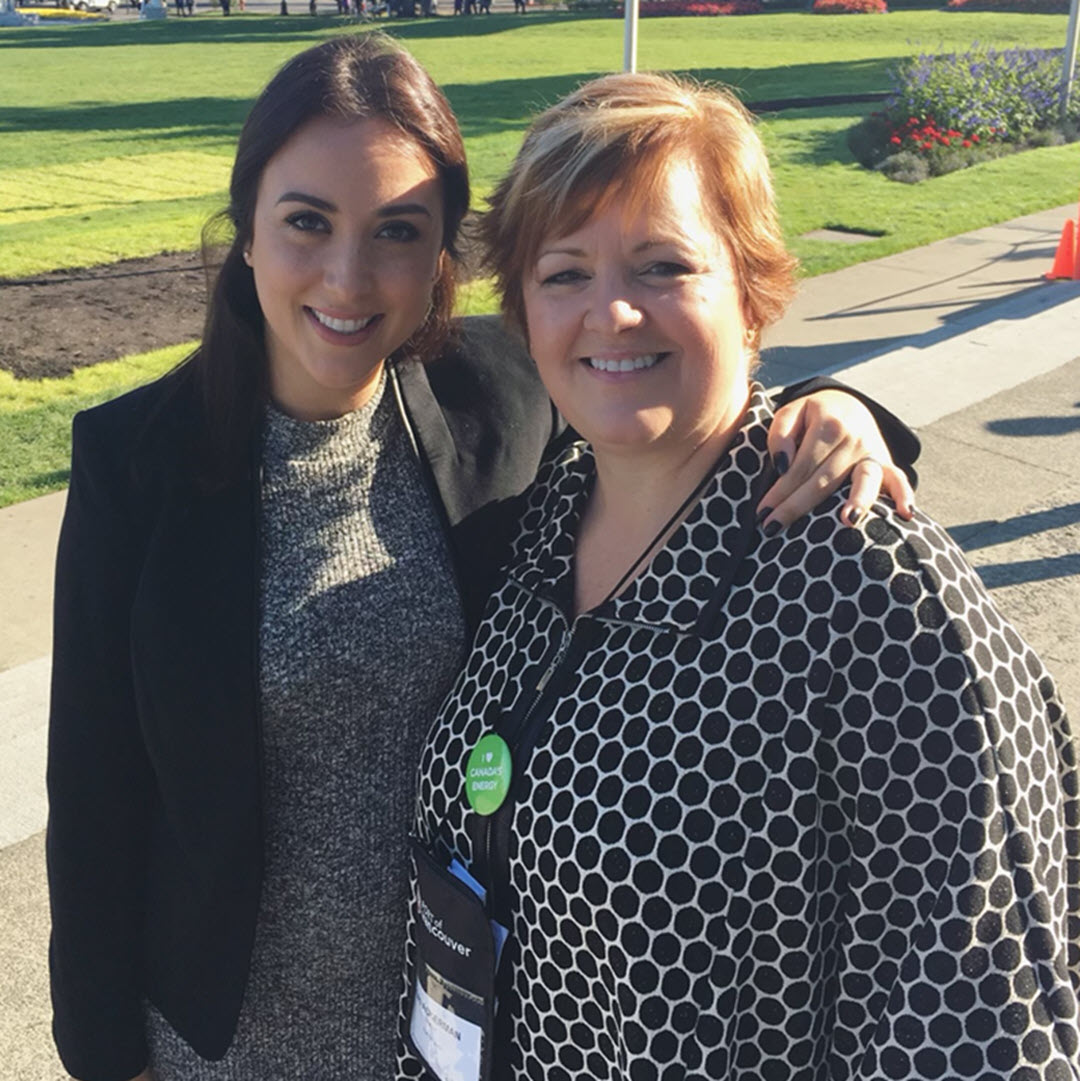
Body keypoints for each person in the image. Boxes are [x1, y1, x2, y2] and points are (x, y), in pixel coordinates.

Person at [47, 36, 916, 1081]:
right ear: (246, 235)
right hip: (223, 1036)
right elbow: (92, 792)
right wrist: (106, 1058)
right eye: (306, 223)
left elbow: (664, 396)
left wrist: (840, 409)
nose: (349, 275)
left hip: (473, 1026)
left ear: (440, 257)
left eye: (397, 232)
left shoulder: (503, 394)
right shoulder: (137, 461)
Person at [397, 72, 1080, 1081]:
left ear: (753, 289)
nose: (611, 313)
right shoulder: (545, 524)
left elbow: (981, 1022)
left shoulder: (869, 585)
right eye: (565, 273)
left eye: (664, 265)